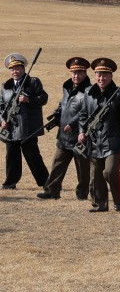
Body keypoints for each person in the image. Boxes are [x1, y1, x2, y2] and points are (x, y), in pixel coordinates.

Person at [80, 57, 120, 212]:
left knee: (110, 171)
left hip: (112, 141)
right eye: (99, 75)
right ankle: (100, 204)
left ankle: (118, 199)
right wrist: (81, 131)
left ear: (111, 76)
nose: (101, 78)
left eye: (105, 75)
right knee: (96, 176)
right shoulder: (88, 93)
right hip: (93, 141)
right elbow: (83, 115)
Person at [37, 57, 91, 201]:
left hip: (80, 135)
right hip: (63, 135)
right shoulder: (67, 87)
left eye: (79, 72)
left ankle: (82, 193)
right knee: (57, 163)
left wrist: (72, 123)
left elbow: (87, 111)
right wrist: (57, 114)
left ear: (85, 73)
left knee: (82, 168)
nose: (76, 76)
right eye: (73, 72)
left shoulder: (89, 91)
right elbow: (64, 104)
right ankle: (51, 191)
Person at [1, 52, 49, 190]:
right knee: (11, 157)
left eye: (17, 68)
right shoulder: (5, 86)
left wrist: (29, 100)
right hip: (11, 128)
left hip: (27, 127)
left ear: (23, 68)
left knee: (33, 156)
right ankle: (10, 183)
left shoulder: (33, 82)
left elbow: (43, 98)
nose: (14, 71)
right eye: (12, 69)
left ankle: (46, 182)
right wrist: (2, 121)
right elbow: (1, 106)